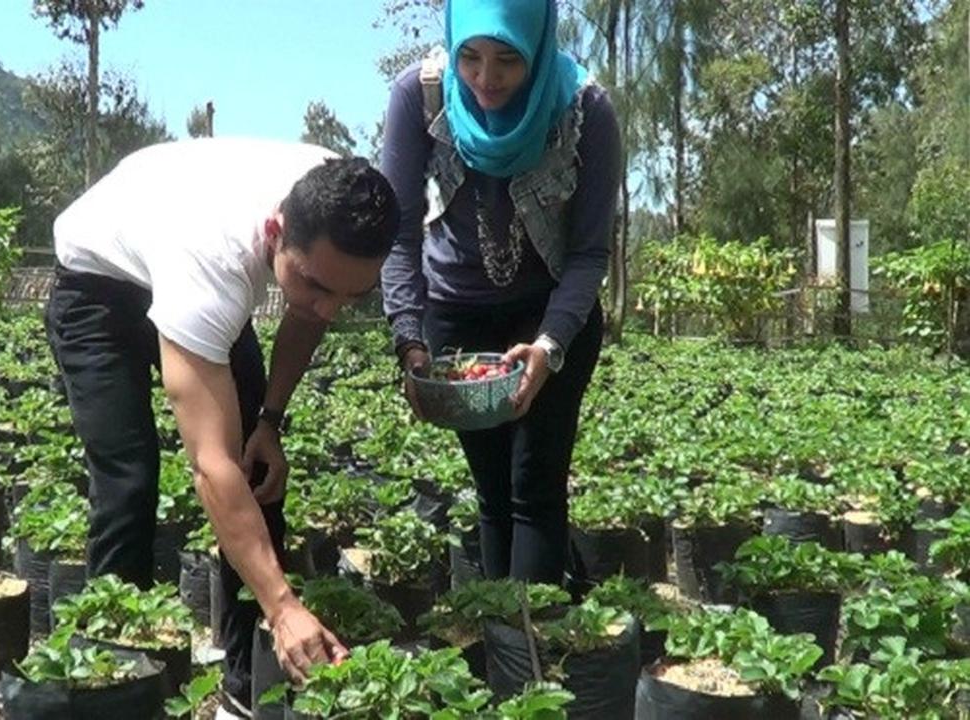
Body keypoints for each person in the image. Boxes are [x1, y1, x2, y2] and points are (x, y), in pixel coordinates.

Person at [45, 138, 400, 719]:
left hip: (175, 241)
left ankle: (244, 689)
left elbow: (309, 312)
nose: (331, 307)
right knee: (129, 479)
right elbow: (212, 466)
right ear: (275, 230)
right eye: (315, 284)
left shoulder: (337, 200)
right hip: (98, 285)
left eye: (352, 295)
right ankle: (108, 685)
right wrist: (283, 605)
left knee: (261, 474)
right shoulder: (213, 265)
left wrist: (271, 421)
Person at [380, 0, 620, 586]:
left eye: (508, 60)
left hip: (552, 316)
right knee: (491, 488)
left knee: (534, 484)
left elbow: (589, 253)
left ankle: (533, 654)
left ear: (536, 47)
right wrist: (409, 342)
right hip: (456, 317)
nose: (486, 80)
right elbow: (399, 232)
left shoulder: (584, 111)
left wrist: (548, 346)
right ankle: (501, 648)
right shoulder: (420, 97)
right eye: (472, 57)